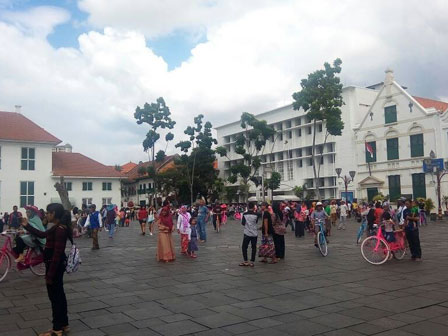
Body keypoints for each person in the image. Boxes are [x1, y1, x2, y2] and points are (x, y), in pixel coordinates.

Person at [22, 203, 71, 336]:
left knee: (55, 298)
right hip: (55, 266)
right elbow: (42, 235)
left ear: (53, 214)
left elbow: (57, 254)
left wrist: (50, 274)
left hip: (54, 267)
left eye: (48, 213)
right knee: (59, 295)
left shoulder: (60, 229)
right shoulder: (56, 227)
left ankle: (56, 329)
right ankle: (64, 324)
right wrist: (27, 225)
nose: (46, 215)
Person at [239, 202, 258, 267]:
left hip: (247, 233)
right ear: (253, 207)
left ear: (247, 207)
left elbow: (243, 223)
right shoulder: (256, 214)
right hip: (254, 233)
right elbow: (256, 222)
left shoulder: (244, 214)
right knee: (254, 247)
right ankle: (252, 261)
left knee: (244, 247)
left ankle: (246, 261)